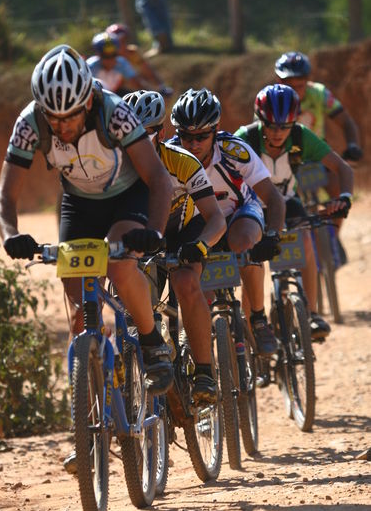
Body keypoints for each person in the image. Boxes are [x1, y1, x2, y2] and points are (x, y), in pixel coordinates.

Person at [0, 44, 175, 399]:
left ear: (88, 102)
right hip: (79, 204)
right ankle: (91, 419)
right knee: (79, 313)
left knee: (120, 265)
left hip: (128, 198)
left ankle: (153, 344)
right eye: (53, 118)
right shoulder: (30, 123)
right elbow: (5, 194)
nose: (60, 127)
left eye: (70, 117)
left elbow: (157, 177)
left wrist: (153, 231)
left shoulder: (115, 112)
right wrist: (10, 234)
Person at [124, 89, 226, 403]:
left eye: (148, 133)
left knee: (185, 281)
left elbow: (216, 220)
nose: (138, 141)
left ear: (162, 132)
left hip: (185, 231)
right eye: (129, 134)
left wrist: (201, 246)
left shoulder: (181, 161)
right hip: (144, 236)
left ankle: (205, 373)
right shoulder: (115, 166)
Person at [169, 88, 286, 358]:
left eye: (201, 136)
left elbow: (274, 198)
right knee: (199, 293)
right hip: (199, 225)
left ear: (216, 129)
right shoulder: (171, 155)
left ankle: (258, 318)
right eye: (186, 136)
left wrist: (272, 236)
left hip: (239, 213)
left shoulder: (235, 151)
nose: (193, 144)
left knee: (244, 243)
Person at [235, 83, 354, 341]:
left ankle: (310, 314)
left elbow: (343, 168)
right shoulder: (245, 138)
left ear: (294, 122)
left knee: (306, 242)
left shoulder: (301, 136)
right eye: (272, 125)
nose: (278, 133)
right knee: (250, 261)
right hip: (252, 206)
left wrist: (343, 198)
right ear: (260, 119)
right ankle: (249, 331)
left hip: (288, 201)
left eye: (285, 126)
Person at [274, 52, 363, 159]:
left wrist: (353, 145)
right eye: (290, 86)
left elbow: (346, 122)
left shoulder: (320, 94)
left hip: (316, 155)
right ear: (279, 81)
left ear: (307, 81)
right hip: (282, 157)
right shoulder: (269, 99)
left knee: (339, 172)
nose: (295, 91)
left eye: (300, 86)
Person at [106, 23, 173, 97]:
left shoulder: (133, 52)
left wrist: (161, 87)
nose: (122, 44)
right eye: (118, 42)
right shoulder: (108, 58)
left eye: (124, 40)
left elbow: (148, 71)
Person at [86, 31, 144, 96]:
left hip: (115, 93)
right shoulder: (90, 66)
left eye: (114, 55)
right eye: (106, 56)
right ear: (98, 54)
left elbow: (136, 83)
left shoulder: (121, 63)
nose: (110, 60)